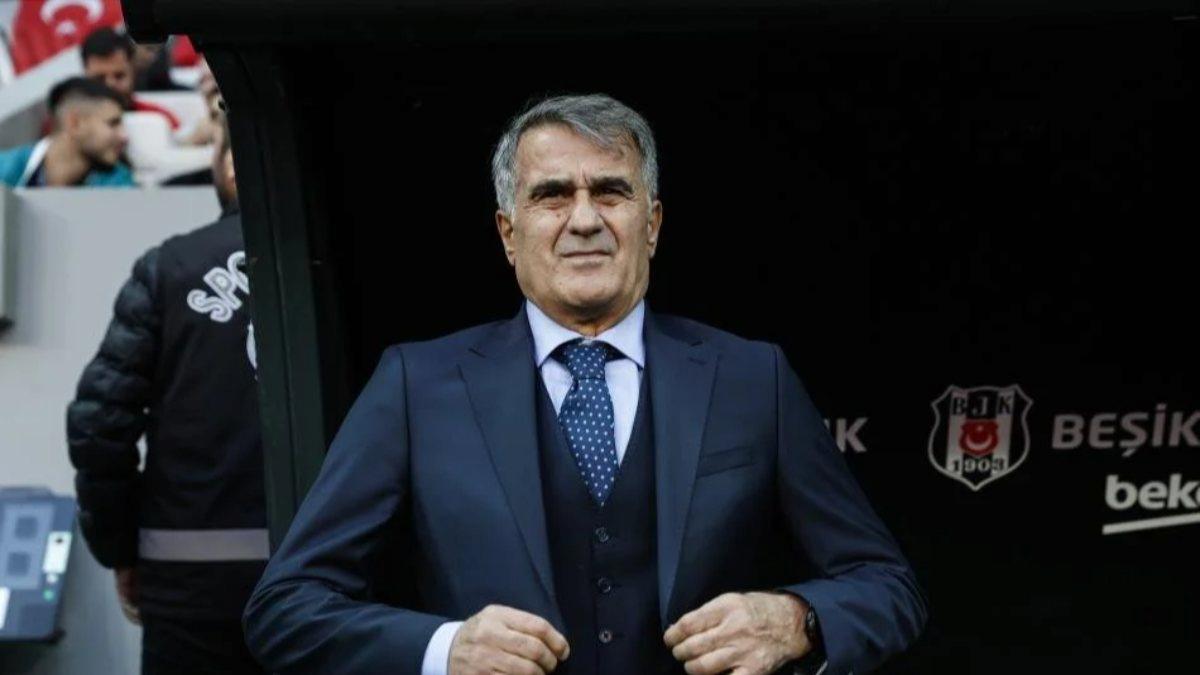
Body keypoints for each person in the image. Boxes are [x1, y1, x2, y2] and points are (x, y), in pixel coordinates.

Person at [244, 94, 927, 675]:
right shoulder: (415, 385)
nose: (584, 219)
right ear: (508, 234)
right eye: (551, 195)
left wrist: (796, 619)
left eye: (610, 191)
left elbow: (888, 586)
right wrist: (446, 649)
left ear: (651, 225)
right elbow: (286, 608)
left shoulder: (753, 377)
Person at [66, 103, 266, 675]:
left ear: (231, 165)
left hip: (190, 589)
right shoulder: (340, 268)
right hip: (332, 588)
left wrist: (120, 549)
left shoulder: (170, 268)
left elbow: (99, 425)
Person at [0, 77, 133, 188]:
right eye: (112, 123)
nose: (124, 136)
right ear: (74, 124)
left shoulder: (120, 185)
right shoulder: (5, 170)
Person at [81, 27, 182, 131]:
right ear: (85, 75)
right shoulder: (73, 125)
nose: (110, 84)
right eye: (99, 78)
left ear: (133, 72)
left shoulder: (162, 120)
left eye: (119, 76)